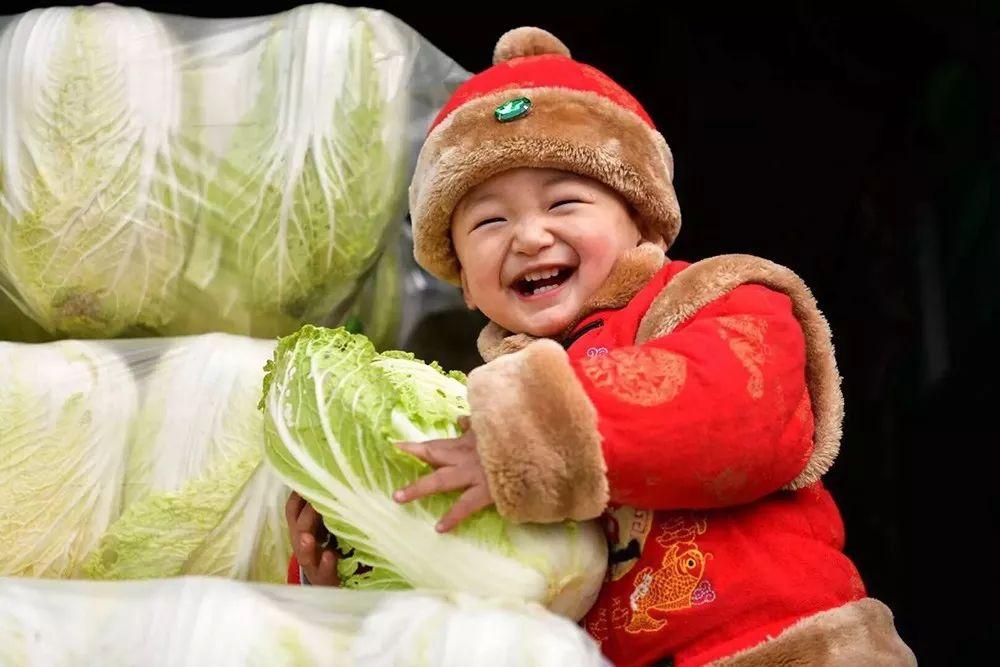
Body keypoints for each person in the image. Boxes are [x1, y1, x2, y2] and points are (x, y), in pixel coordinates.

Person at [286, 26, 916, 666]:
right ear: (463, 282)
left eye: (565, 202)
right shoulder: (474, 410)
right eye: (489, 220)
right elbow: (452, 562)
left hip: (787, 649)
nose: (530, 236)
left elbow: (736, 410)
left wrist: (530, 434)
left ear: (642, 220)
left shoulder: (716, 296)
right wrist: (341, 564)